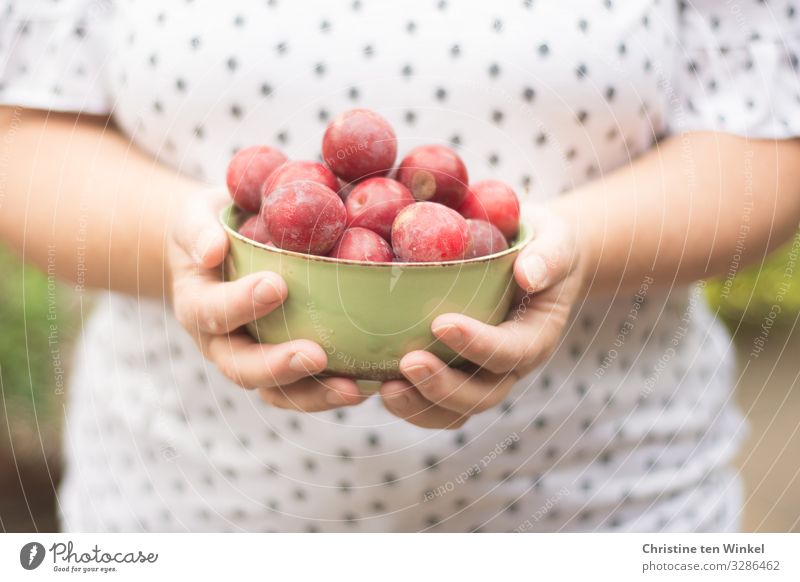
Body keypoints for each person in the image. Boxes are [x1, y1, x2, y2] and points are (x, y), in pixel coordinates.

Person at [2, 0, 799, 532]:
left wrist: (577, 245)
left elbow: (767, 135)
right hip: (177, 512)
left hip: (612, 509)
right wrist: (183, 243)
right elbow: (23, 131)